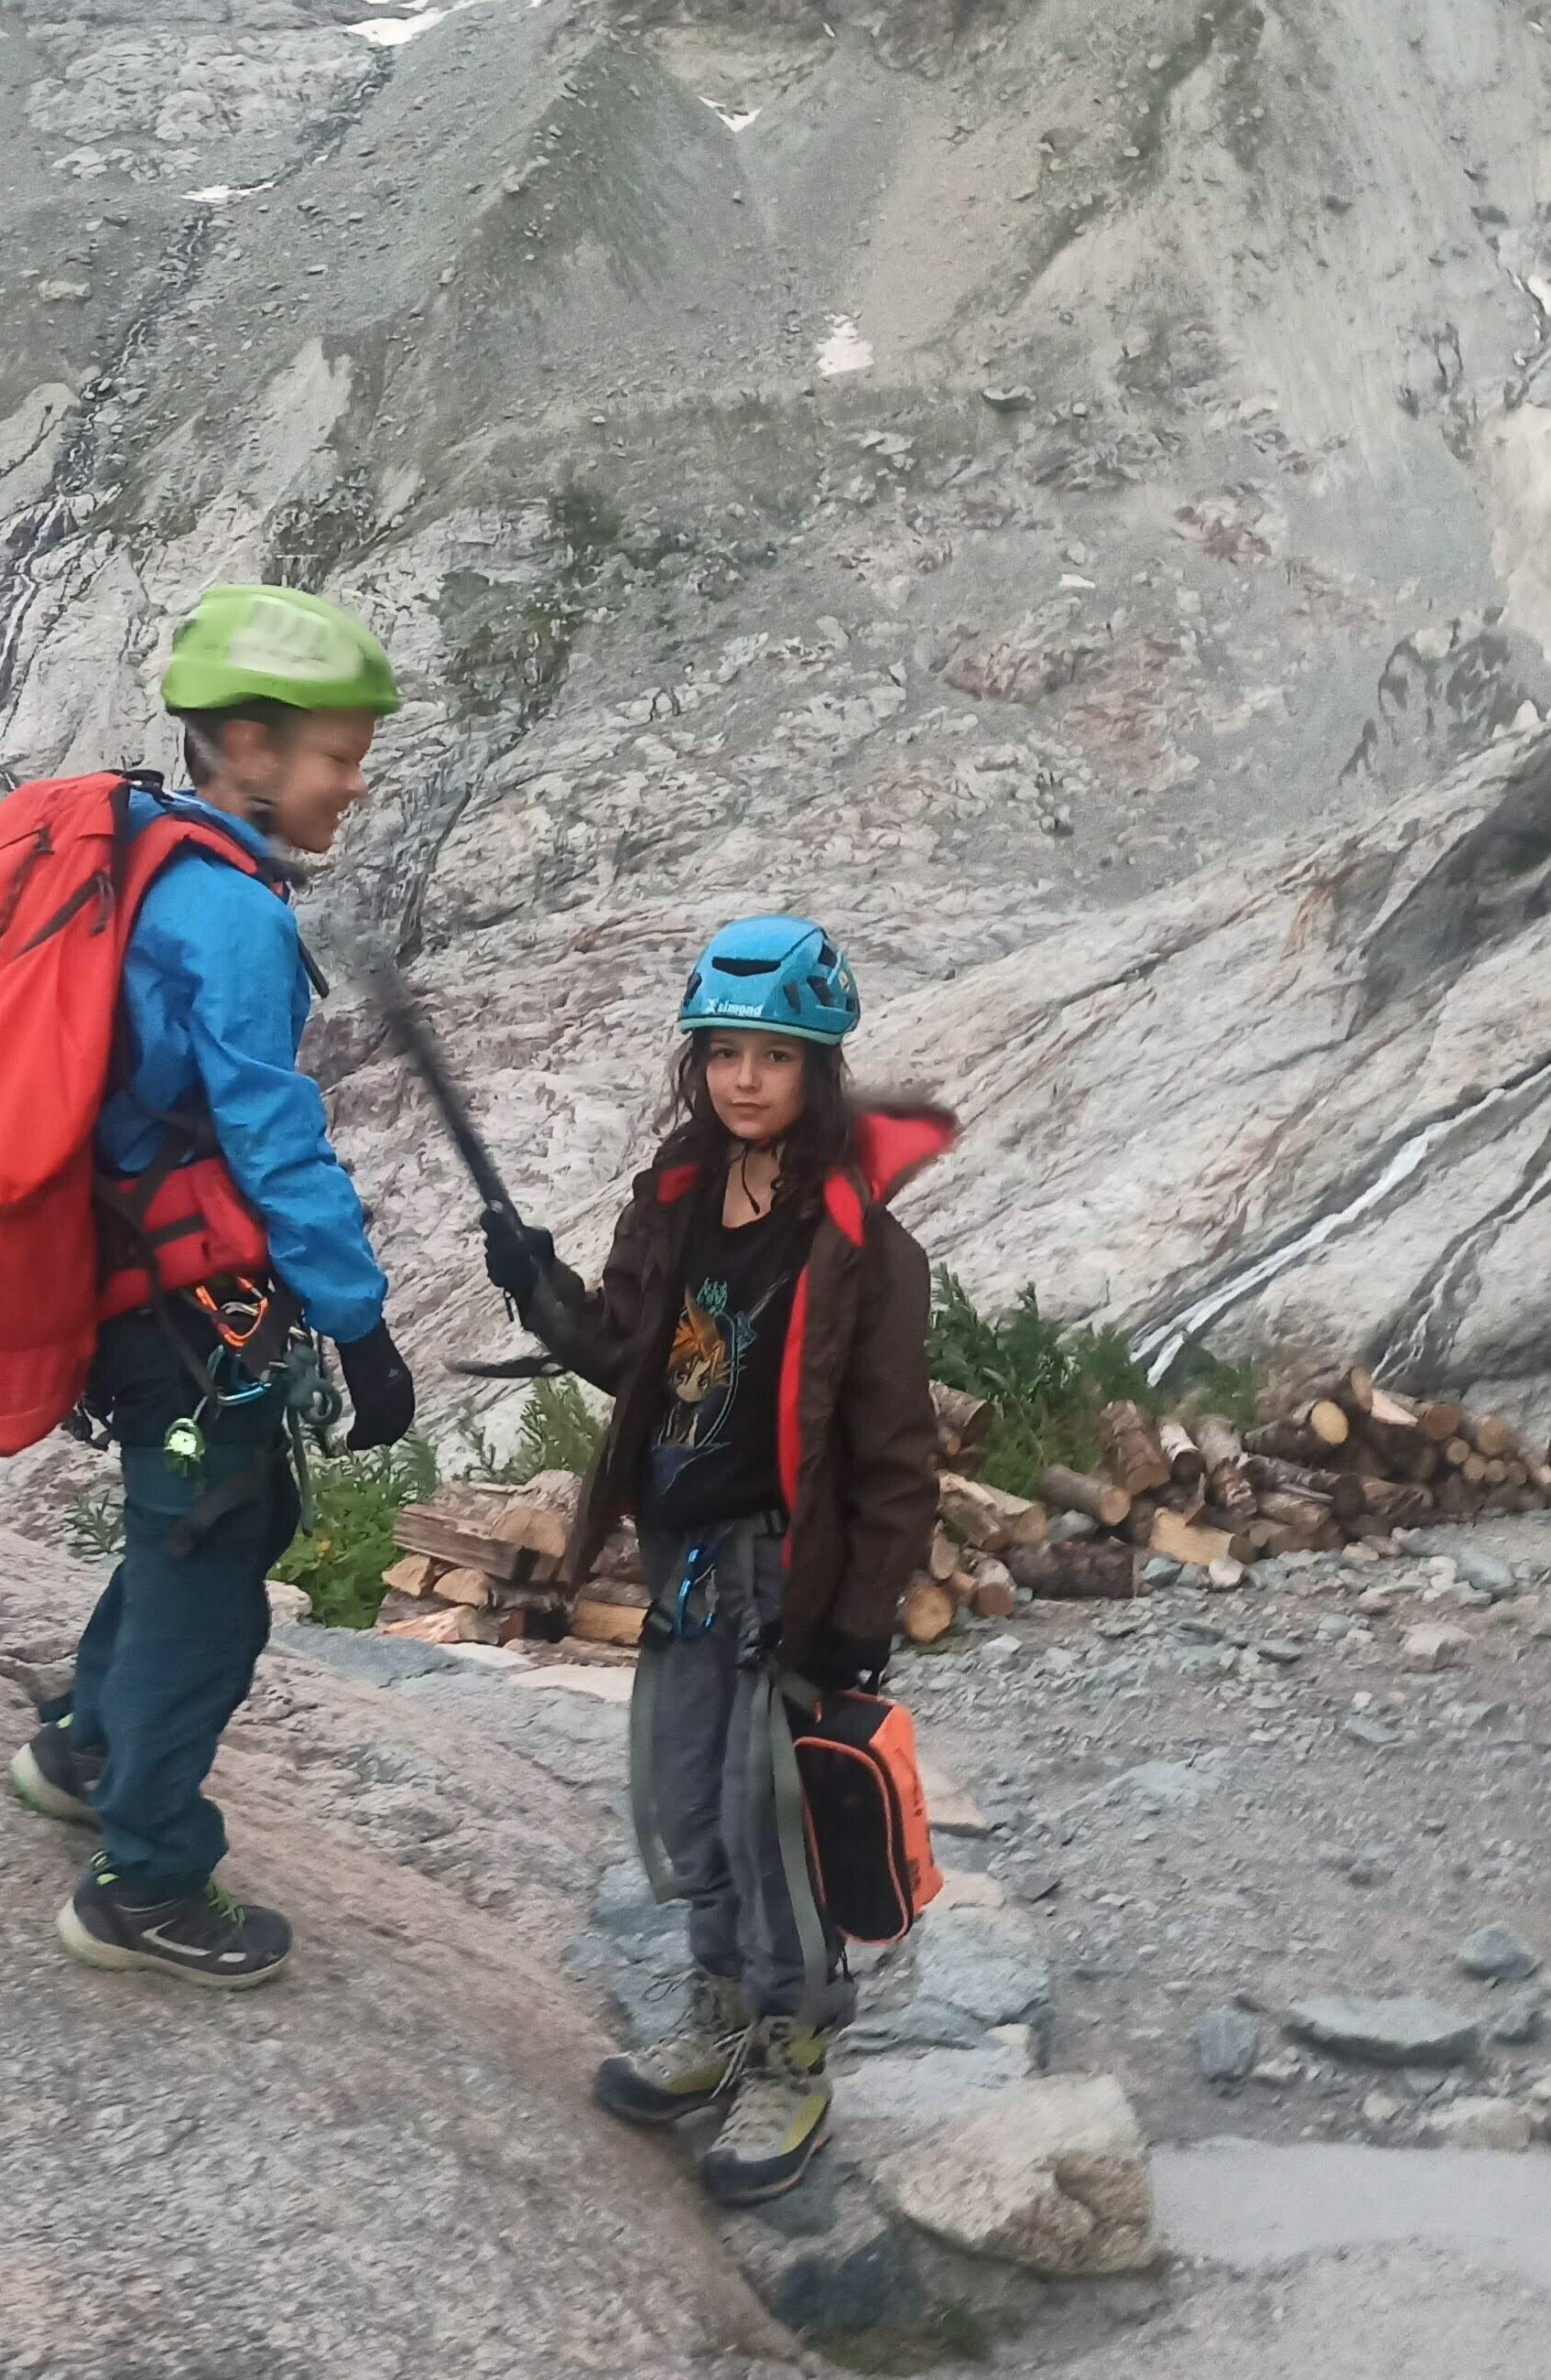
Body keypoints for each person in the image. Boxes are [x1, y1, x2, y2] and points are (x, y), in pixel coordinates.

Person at [484, 915, 953, 2204]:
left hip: (781, 1572)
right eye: (724, 1052)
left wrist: (861, 1619)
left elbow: (897, 1453)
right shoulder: (678, 1197)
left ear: (821, 1068)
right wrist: (540, 1290)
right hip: (684, 1558)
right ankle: (720, 2010)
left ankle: (794, 2049)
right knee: (691, 1799)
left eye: (776, 1056)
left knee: (774, 1821)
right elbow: (634, 1359)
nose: (745, 1079)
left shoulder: (865, 1249)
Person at [5, 584, 419, 1991]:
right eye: (337, 757)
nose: (353, 785)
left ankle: (89, 1746)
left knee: (199, 1525)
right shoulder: (230, 917)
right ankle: (149, 1878)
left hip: (129, 1281)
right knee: (215, 1559)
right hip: (185, 1308)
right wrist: (361, 1325)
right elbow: (271, 1133)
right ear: (248, 743)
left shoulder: (142, 855)